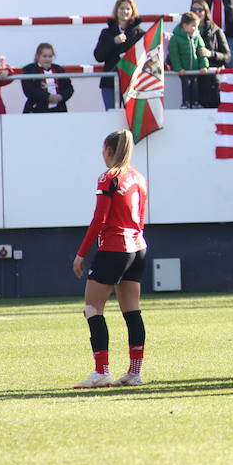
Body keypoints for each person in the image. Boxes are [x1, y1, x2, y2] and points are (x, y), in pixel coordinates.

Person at [71, 130, 148, 388]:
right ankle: (134, 373)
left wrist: (81, 253)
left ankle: (101, 371)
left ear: (109, 151)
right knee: (132, 311)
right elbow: (141, 217)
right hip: (138, 248)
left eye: (103, 150)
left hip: (115, 248)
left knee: (92, 308)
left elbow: (100, 220)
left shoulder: (109, 177)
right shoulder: (138, 177)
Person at [92, 0, 143, 110]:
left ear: (132, 11)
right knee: (111, 116)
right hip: (110, 82)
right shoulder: (106, 33)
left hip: (132, 82)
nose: (124, 11)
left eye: (128, 9)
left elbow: (146, 57)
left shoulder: (140, 34)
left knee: (131, 117)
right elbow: (98, 56)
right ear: (116, 11)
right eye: (121, 8)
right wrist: (113, 42)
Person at [187, 0, 229, 109]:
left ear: (206, 11)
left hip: (211, 84)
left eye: (200, 9)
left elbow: (227, 56)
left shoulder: (216, 31)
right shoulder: (183, 31)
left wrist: (210, 54)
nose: (197, 12)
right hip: (191, 83)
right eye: (193, 9)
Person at [166, 11, 209, 109]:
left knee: (195, 85)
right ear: (185, 26)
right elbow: (174, 55)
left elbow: (201, 52)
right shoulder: (175, 39)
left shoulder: (197, 37)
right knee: (186, 85)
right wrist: (178, 68)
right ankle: (185, 102)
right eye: (193, 26)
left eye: (197, 26)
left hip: (194, 69)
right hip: (184, 70)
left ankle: (195, 102)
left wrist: (204, 65)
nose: (196, 29)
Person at [21, 42, 73, 113]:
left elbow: (69, 88)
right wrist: (48, 97)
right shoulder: (29, 70)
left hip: (59, 109)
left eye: (50, 56)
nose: (47, 59)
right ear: (37, 56)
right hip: (37, 110)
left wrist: (61, 96)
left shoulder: (59, 69)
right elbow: (29, 90)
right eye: (44, 56)